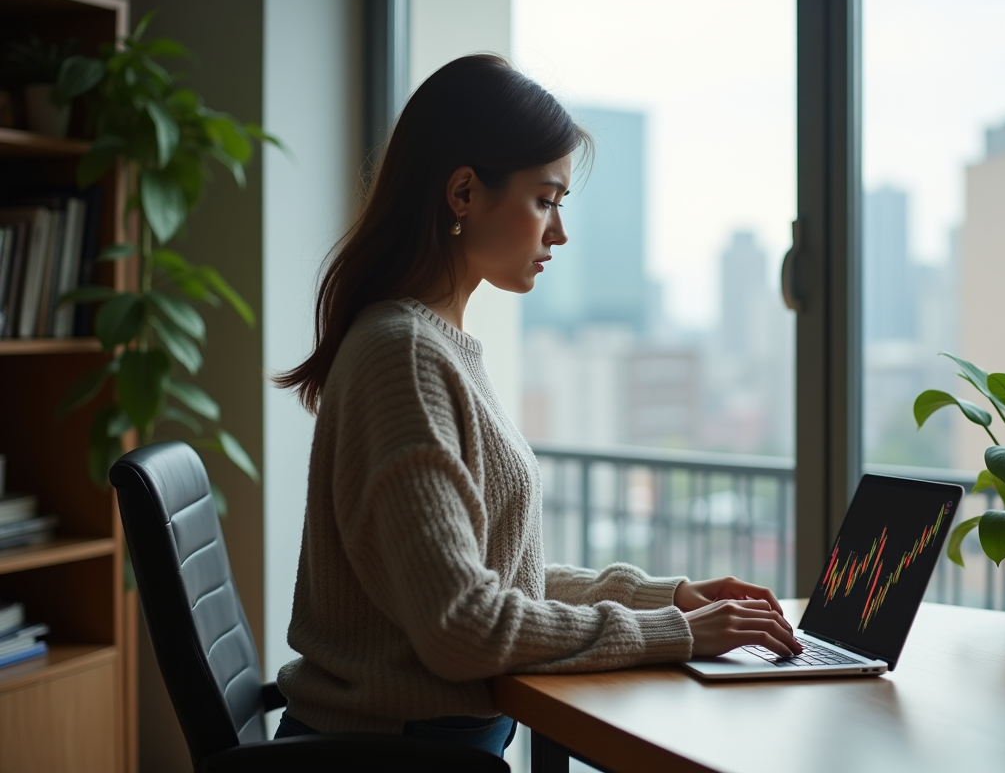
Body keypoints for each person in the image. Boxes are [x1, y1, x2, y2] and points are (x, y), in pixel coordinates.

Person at [271, 54, 802, 758]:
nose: (559, 232)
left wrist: (666, 598)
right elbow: (464, 627)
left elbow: (492, 582)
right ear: (463, 192)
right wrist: (676, 635)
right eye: (545, 200)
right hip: (393, 754)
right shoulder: (403, 357)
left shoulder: (435, 345)